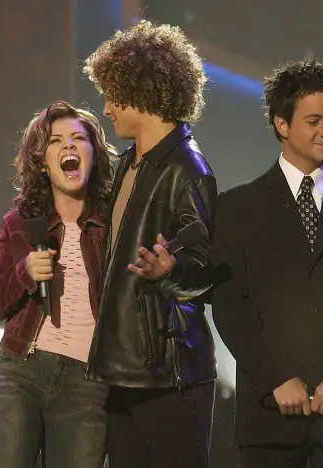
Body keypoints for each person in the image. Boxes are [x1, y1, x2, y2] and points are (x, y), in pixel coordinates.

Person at [211, 59, 323, 468]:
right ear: (281, 124)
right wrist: (274, 377)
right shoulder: (237, 207)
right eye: (314, 120)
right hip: (269, 418)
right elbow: (228, 303)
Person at [83, 20, 217, 468]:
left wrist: (172, 272)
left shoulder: (188, 168)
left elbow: (205, 266)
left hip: (168, 376)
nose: (105, 109)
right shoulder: (129, 165)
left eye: (112, 94)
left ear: (140, 91)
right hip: (124, 374)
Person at [0, 100, 116, 467]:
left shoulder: (117, 224)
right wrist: (24, 273)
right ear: (42, 160)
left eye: (78, 139)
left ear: (94, 153)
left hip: (87, 382)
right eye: (56, 141)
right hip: (19, 370)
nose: (68, 147)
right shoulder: (19, 224)